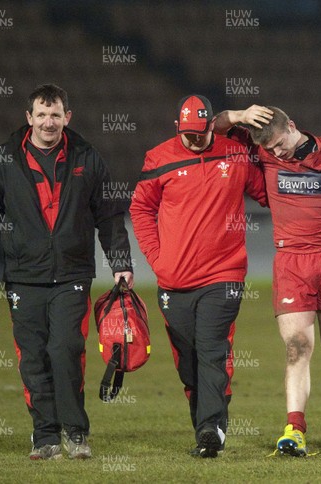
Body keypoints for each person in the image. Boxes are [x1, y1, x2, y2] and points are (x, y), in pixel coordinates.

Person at [0, 84, 134, 460]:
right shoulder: (5, 158)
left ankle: (75, 433)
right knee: (34, 358)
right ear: (29, 118)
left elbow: (108, 214)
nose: (48, 122)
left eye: (55, 114)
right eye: (41, 115)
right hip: (24, 275)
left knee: (66, 350)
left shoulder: (87, 156)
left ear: (67, 117)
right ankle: (44, 436)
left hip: (73, 275)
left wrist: (120, 261)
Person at [214, 105, 321, 456]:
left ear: (291, 125)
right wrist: (239, 115)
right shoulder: (261, 150)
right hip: (290, 261)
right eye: (270, 150)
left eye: (280, 144)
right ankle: (294, 430)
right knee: (296, 346)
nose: (277, 153)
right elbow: (216, 128)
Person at [129, 94, 267, 458]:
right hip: (173, 280)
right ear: (178, 128)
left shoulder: (234, 153)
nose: (194, 140)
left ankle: (212, 429)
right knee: (188, 361)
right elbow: (141, 209)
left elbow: (266, 193)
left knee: (211, 350)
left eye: (201, 133)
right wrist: (158, 260)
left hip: (224, 274)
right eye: (187, 134)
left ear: (211, 126)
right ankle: (206, 427)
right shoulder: (158, 158)